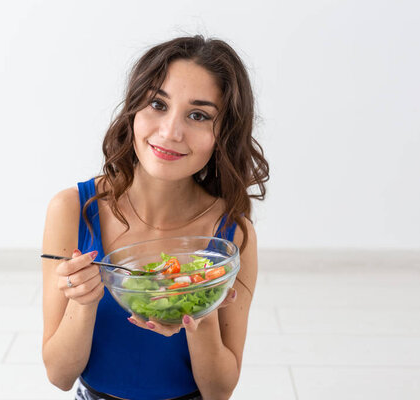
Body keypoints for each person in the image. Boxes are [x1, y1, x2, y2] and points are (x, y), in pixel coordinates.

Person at [41, 35, 269, 400]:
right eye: (157, 104)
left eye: (198, 115)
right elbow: (59, 374)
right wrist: (83, 303)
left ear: (223, 134)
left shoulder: (233, 234)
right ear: (132, 110)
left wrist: (203, 306)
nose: (170, 132)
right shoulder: (72, 209)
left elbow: (219, 391)